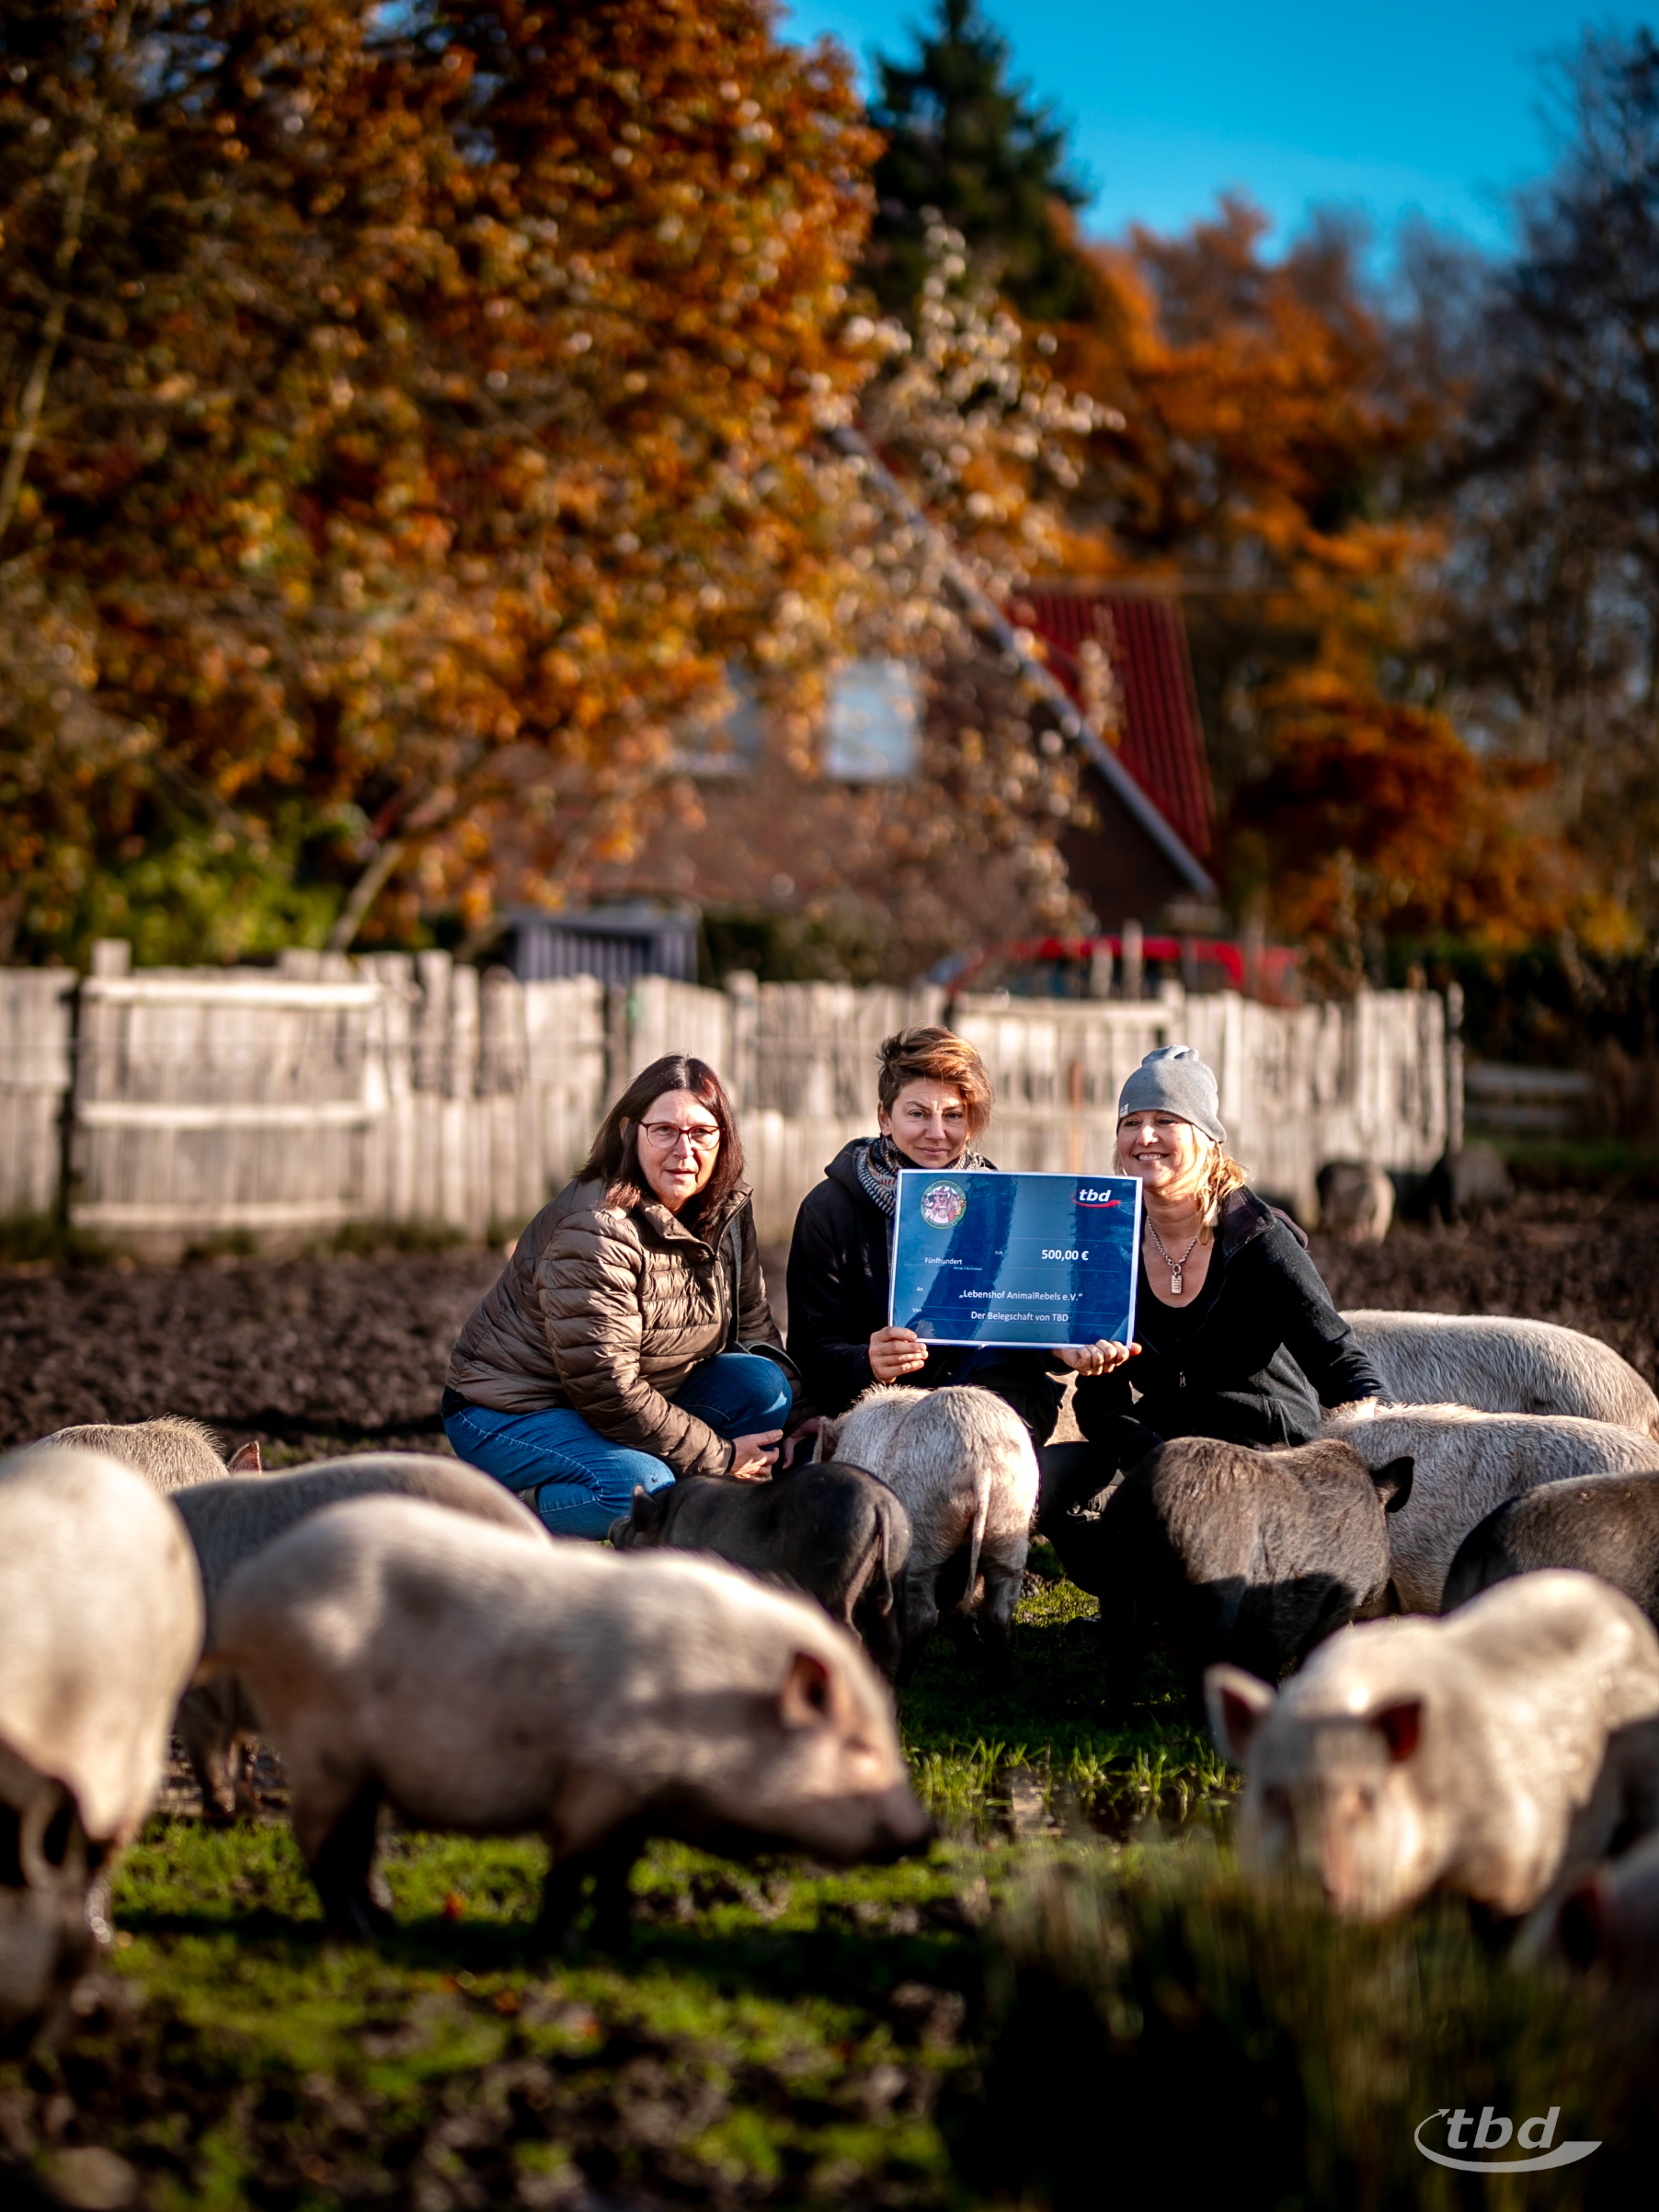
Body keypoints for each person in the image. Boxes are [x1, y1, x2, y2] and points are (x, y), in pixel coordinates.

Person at [1041, 1043, 1384, 1564]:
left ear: (1206, 1138)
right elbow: (1099, 1403)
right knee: (1044, 1484)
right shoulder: (1110, 1245)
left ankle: (1194, 1579)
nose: (1144, 1137)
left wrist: (1384, 1449)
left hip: (1263, 1457)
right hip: (1163, 1451)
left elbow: (1338, 1359)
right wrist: (1150, 1456)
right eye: (1131, 1122)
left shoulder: (1258, 1241)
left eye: (1166, 1120)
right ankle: (1144, 1582)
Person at [441, 1053, 791, 1539]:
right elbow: (607, 1386)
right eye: (664, 1131)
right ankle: (496, 1518)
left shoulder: (723, 1211)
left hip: (622, 1398)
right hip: (510, 1409)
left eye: (701, 1132)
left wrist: (805, 1418)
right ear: (630, 1132)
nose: (684, 1150)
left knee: (764, 1385)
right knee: (637, 1488)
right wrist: (721, 1456)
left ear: (723, 1138)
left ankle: (693, 1523)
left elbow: (752, 1323)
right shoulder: (597, 1227)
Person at [786, 1025, 1104, 1446]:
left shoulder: (1000, 1198)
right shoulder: (828, 1208)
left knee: (1013, 1389)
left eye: (953, 1115)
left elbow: (1018, 1316)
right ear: (885, 1117)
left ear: (970, 1124)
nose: (937, 1133)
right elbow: (810, 1350)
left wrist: (1057, 1347)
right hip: (877, 1406)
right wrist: (867, 1361)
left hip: (980, 1396)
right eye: (918, 1114)